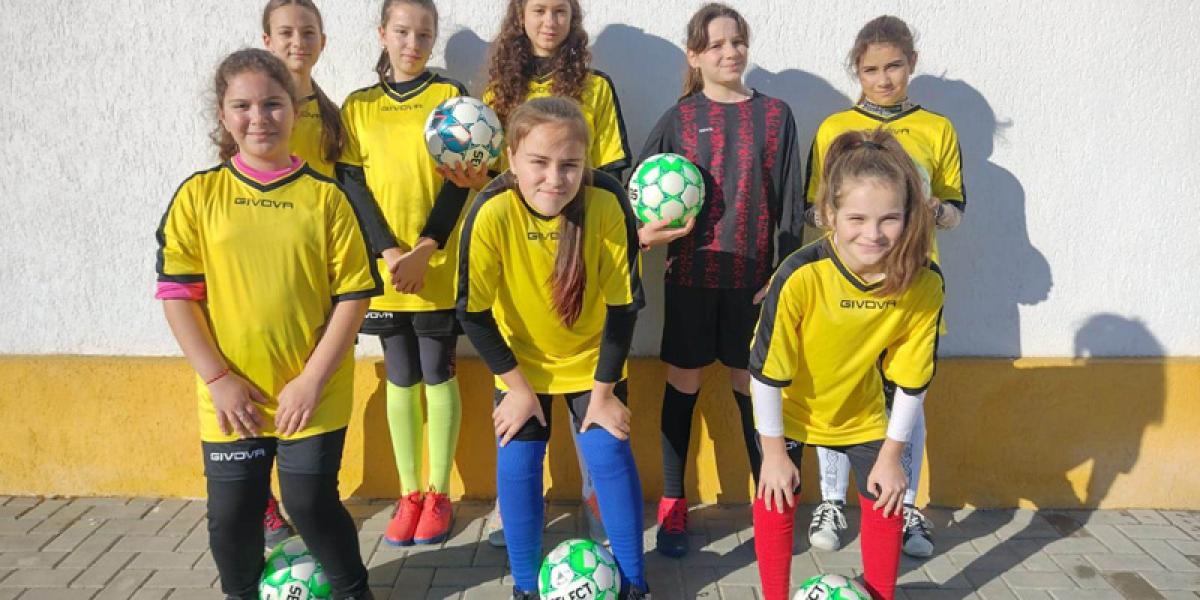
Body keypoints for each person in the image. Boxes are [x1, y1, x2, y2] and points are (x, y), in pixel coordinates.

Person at [156, 48, 379, 600]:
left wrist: (312, 380)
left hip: (313, 390)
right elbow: (178, 297)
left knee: (309, 502)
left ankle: (355, 591)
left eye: (273, 104)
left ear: (295, 110)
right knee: (233, 515)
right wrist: (218, 379)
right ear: (223, 114)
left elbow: (353, 298)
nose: (259, 117)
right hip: (234, 395)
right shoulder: (198, 196)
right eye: (243, 106)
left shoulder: (326, 198)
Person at [457, 97, 648, 599]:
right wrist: (518, 390)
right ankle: (525, 586)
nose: (554, 178)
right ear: (511, 159)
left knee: (609, 451)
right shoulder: (491, 210)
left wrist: (603, 395)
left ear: (586, 162)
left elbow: (624, 307)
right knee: (518, 464)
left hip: (594, 362)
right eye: (539, 162)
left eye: (569, 164)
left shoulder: (606, 200)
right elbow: (472, 313)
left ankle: (634, 582)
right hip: (521, 366)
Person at [637, 2, 804, 558]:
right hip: (689, 277)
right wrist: (647, 234)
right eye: (716, 45)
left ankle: (769, 504)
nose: (730, 52)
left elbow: (790, 202)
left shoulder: (776, 115)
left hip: (752, 283)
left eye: (738, 41)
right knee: (682, 388)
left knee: (753, 392)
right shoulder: (680, 118)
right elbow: (639, 189)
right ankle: (673, 503)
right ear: (695, 56)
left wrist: (782, 273)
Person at [751, 128, 943, 600]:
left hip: (862, 414)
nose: (872, 234)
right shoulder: (800, 275)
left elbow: (912, 381)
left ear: (909, 216)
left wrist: (892, 458)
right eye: (856, 218)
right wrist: (772, 455)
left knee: (886, 497)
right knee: (775, 493)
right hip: (790, 411)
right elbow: (766, 375)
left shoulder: (923, 282)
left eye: (889, 219)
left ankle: (880, 594)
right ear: (830, 214)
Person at [803, 15, 965, 558]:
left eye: (893, 66)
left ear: (911, 63)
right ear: (857, 70)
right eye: (871, 69)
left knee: (906, 398)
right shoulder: (834, 128)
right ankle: (832, 501)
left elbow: (956, 209)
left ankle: (906, 505)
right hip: (844, 287)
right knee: (838, 389)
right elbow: (812, 208)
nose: (883, 78)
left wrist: (932, 210)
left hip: (910, 287)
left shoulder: (937, 129)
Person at [477, 0, 634, 547]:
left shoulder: (596, 86)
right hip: (522, 278)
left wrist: (622, 231)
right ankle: (519, 503)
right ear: (519, 16)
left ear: (574, 19)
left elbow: (613, 171)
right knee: (520, 418)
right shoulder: (498, 91)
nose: (550, 21)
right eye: (539, 10)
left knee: (595, 417)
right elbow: (489, 178)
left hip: (580, 262)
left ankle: (597, 499)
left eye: (561, 11)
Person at [336, 0, 470, 547]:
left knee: (436, 370)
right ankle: (409, 492)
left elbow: (462, 179)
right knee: (399, 374)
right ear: (383, 35)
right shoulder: (358, 106)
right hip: (388, 269)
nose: (412, 43)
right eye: (402, 32)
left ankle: (439, 495)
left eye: (424, 34)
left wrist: (425, 248)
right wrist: (390, 252)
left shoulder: (451, 98)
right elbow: (351, 183)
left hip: (434, 264)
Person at [256, 0, 348, 550]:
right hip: (262, 271)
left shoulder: (331, 115)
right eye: (286, 32)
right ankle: (262, 500)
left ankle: (311, 502)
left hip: (317, 274)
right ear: (267, 40)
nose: (298, 41)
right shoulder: (254, 109)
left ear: (322, 41)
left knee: (313, 376)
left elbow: (347, 190)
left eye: (308, 32)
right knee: (259, 381)